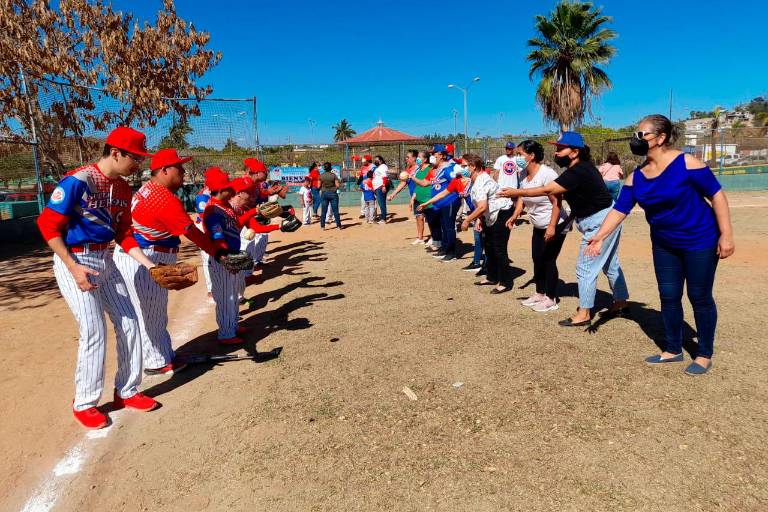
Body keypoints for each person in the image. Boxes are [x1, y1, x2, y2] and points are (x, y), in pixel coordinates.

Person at [586, 115, 735, 375]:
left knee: (699, 296)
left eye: (641, 134)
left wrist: (726, 235)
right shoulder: (636, 177)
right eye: (636, 134)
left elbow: (717, 195)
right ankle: (673, 348)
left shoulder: (686, 163)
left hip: (700, 239)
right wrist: (600, 236)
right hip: (664, 244)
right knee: (669, 296)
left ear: (661, 137)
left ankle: (704, 354)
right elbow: (620, 209)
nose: (636, 139)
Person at [36, 126, 160, 429]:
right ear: (115, 153)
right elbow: (47, 225)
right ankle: (85, 402)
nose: (139, 164)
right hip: (76, 259)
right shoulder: (78, 181)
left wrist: (149, 265)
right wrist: (73, 267)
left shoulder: (123, 188)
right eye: (135, 158)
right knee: (94, 330)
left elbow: (124, 234)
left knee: (129, 322)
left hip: (105, 259)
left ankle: (127, 391)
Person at [497, 131, 629, 327]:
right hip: (603, 217)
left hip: (600, 222)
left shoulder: (578, 171)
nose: (556, 153)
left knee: (585, 267)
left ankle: (584, 313)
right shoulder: (579, 169)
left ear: (574, 152)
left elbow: (548, 190)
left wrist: (517, 192)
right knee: (610, 264)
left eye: (560, 149)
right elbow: (581, 197)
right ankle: (621, 303)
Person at [113, 149, 224, 376]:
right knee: (151, 313)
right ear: (164, 170)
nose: (183, 171)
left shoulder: (149, 188)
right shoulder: (163, 198)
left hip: (137, 254)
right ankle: (156, 361)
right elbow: (191, 232)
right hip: (147, 256)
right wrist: (218, 253)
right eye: (179, 167)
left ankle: (160, 355)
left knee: (148, 312)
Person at [505, 140, 569, 313]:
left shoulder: (547, 174)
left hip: (555, 224)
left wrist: (552, 227)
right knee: (537, 258)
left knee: (548, 259)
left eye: (520, 154)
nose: (517, 157)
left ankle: (551, 298)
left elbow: (557, 202)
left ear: (532, 155)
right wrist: (515, 215)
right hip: (538, 225)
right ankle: (540, 293)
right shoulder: (522, 174)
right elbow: (522, 196)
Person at [202, 168, 247, 345]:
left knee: (233, 293)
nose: (233, 190)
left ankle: (233, 325)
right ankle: (226, 333)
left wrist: (253, 213)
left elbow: (236, 226)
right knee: (225, 296)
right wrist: (227, 258)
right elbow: (217, 237)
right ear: (220, 190)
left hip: (231, 254)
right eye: (229, 188)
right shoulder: (212, 210)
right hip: (222, 258)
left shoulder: (225, 206)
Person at [459, 154, 514, 293]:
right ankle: (492, 276)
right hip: (490, 214)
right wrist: (479, 219)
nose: (461, 168)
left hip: (502, 213)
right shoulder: (475, 180)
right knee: (489, 246)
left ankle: (506, 282)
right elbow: (483, 203)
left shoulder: (481, 181)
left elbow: (482, 206)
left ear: (473, 167)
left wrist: (467, 220)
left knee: (499, 248)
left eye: (464, 166)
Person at [417, 157, 471, 264]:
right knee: (444, 227)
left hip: (450, 202)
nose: (432, 157)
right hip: (441, 203)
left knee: (449, 227)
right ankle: (445, 249)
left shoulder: (448, 169)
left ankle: (452, 253)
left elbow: (457, 183)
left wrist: (457, 197)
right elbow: (445, 188)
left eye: (435, 154)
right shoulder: (437, 170)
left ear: (441, 156)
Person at [388, 150, 422, 243]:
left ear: (414, 158)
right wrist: (393, 194)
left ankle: (435, 238)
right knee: (418, 217)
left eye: (408, 157)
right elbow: (403, 183)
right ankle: (420, 238)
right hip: (414, 197)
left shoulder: (420, 168)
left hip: (424, 195)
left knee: (429, 217)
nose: (406, 159)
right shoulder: (408, 170)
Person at [319, 161, 342, 229]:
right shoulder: (333, 175)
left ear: (324, 168)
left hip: (324, 194)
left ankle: (322, 226)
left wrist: (322, 188)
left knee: (323, 211)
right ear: (330, 168)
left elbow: (318, 186)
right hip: (333, 193)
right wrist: (334, 188)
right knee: (335, 211)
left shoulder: (321, 176)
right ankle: (338, 226)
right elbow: (337, 185)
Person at [372, 155, 389, 223]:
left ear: (381, 161)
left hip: (381, 186)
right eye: (375, 160)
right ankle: (383, 217)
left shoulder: (383, 166)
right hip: (378, 187)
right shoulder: (378, 167)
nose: (375, 161)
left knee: (381, 203)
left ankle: (383, 219)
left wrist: (384, 185)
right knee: (381, 202)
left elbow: (385, 176)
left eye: (377, 160)